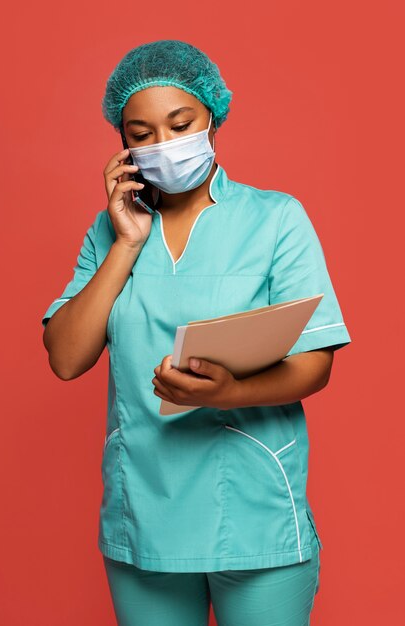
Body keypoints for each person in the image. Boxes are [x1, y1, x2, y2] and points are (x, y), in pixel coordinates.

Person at [41, 39, 352, 626]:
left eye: (180, 124)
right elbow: (65, 356)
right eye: (142, 133)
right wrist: (126, 242)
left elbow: (316, 363)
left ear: (213, 118)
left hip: (255, 508)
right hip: (145, 513)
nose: (164, 144)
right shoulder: (109, 234)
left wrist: (225, 393)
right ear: (123, 145)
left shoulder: (276, 218)